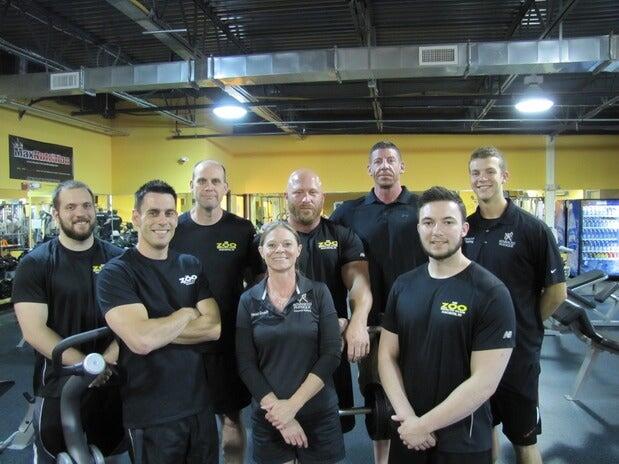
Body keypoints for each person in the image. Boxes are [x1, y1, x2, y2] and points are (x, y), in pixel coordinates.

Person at [379, 186, 516, 464]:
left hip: (462, 440)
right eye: (428, 222)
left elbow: (485, 382)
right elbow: (386, 356)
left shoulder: (491, 292)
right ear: (418, 228)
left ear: (464, 229)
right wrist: (408, 418)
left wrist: (424, 425)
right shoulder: (403, 285)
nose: (437, 231)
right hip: (407, 432)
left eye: (448, 222)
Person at [97, 180, 222, 464]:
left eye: (169, 213)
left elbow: (213, 328)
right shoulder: (117, 273)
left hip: (199, 407)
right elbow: (142, 341)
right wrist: (185, 313)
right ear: (136, 217)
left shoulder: (190, 264)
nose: (162, 221)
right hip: (151, 414)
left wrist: (154, 327)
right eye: (153, 213)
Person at [464, 147, 567, 464]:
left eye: (490, 171)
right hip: (473, 350)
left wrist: (526, 323)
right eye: (476, 173)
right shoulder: (465, 229)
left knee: (525, 440)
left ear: (504, 176)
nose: (482, 179)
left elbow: (556, 292)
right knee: (485, 432)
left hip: (518, 355)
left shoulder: (533, 229)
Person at [12, 180, 124, 463]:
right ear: (56, 213)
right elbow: (34, 331)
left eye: (86, 205)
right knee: (56, 455)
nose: (80, 213)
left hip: (111, 381)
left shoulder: (119, 259)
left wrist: (106, 362)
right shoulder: (35, 264)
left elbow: (132, 320)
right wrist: (88, 366)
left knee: (113, 453)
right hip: (58, 385)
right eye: (71, 207)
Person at [330, 141, 427, 463]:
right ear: (369, 168)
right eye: (378, 161)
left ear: (402, 167)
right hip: (371, 324)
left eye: (391, 160)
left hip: (418, 320)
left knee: (422, 394)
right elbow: (326, 253)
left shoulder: (424, 207)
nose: (384, 165)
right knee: (379, 402)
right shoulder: (348, 212)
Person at [170, 159, 261, 463]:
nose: (208, 187)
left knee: (232, 420)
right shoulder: (175, 229)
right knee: (185, 422)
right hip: (184, 342)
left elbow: (258, 281)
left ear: (225, 188)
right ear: (191, 186)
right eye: (201, 181)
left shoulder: (242, 229)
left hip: (228, 341)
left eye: (215, 181)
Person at [236, 221, 345, 464]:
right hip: (270, 415)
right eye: (271, 245)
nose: (280, 250)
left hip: (318, 413)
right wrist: (281, 415)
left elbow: (331, 354)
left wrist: (292, 407)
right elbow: (245, 364)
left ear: (298, 249)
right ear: (261, 251)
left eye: (287, 244)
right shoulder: (248, 300)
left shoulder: (319, 293)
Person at [284, 168, 372, 433]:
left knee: (332, 427)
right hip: (285, 346)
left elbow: (359, 283)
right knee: (285, 424)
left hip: (331, 344)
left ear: (322, 197)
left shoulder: (341, 236)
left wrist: (358, 321)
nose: (306, 199)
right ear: (286, 196)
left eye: (313, 192)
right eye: (298, 192)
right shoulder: (271, 240)